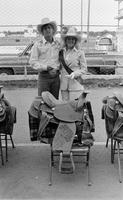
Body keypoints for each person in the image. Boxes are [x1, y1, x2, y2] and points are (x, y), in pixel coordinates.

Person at [29, 18, 61, 99]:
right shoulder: (37, 45)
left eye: (49, 28)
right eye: (45, 28)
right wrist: (46, 67)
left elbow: (63, 58)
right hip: (44, 76)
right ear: (42, 32)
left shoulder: (58, 44)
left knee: (54, 102)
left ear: (53, 30)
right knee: (43, 101)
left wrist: (59, 68)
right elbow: (32, 62)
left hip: (56, 76)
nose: (47, 30)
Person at [59, 27, 87, 101]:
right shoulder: (61, 52)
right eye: (68, 39)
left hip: (75, 84)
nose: (70, 41)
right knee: (65, 107)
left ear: (75, 41)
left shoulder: (80, 52)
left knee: (75, 108)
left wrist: (75, 74)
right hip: (64, 85)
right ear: (65, 40)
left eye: (72, 39)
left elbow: (84, 69)